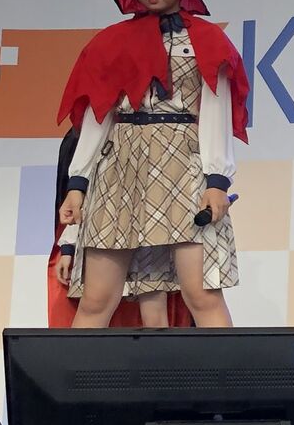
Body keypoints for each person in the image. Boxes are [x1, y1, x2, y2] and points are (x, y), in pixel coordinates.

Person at [56, 0, 250, 328]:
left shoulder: (207, 40)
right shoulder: (111, 42)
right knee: (96, 299)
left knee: (202, 294)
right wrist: (77, 183)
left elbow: (215, 111)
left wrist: (217, 180)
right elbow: (98, 115)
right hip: (120, 166)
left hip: (182, 164)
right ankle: (75, 372)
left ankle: (227, 373)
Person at [49, 127, 190, 328]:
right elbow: (84, 203)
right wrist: (67, 247)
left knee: (154, 308)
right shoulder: (106, 144)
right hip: (114, 218)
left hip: (152, 222)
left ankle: (157, 351)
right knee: (96, 304)